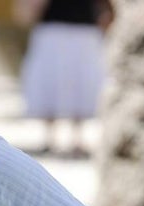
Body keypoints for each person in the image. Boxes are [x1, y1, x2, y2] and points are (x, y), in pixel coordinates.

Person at [18, 0, 112, 157]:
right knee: (50, 80)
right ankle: (50, 138)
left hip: (85, 30)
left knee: (81, 81)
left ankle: (77, 138)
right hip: (53, 30)